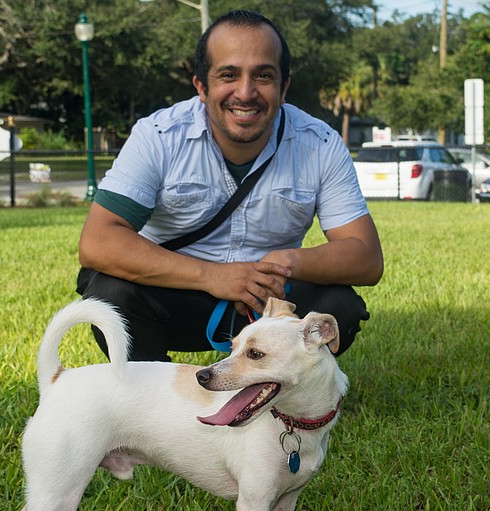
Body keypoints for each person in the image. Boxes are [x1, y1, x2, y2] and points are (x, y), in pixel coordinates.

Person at [77, 9, 383, 362]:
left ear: (284, 87)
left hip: (271, 302)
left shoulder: (321, 145)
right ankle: (159, 397)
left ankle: (273, 392)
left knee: (338, 305)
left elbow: (366, 257)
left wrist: (283, 262)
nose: (246, 91)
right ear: (201, 87)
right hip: (176, 293)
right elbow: (98, 241)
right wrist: (213, 276)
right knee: (110, 293)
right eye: (228, 74)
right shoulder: (159, 136)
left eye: (263, 75)